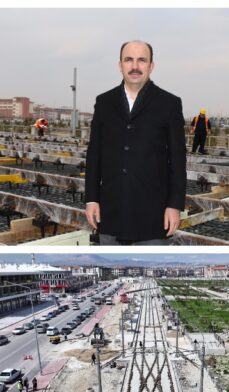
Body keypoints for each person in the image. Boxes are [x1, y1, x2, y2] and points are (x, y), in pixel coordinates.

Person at [85, 40, 186, 245]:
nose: (135, 66)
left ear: (151, 66)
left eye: (142, 60)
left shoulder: (169, 103)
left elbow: (177, 159)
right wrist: (91, 198)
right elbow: (94, 154)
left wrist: (174, 205)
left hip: (152, 214)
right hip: (111, 210)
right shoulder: (104, 102)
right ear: (120, 65)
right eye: (128, 60)